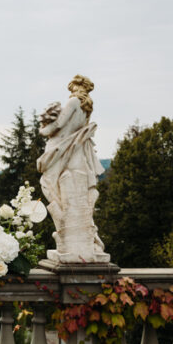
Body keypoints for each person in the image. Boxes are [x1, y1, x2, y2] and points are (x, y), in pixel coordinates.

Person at [36, 74, 108, 263]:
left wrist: (42, 128)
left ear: (76, 87)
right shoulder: (86, 108)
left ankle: (72, 240)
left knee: (48, 186)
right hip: (77, 156)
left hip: (62, 153)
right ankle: (85, 240)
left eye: (72, 88)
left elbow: (58, 125)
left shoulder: (74, 102)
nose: (71, 92)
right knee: (79, 197)